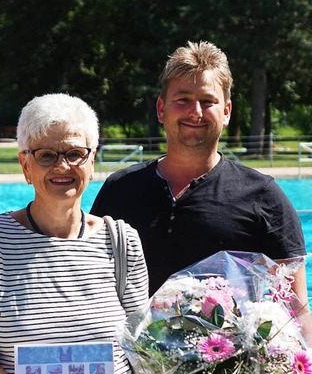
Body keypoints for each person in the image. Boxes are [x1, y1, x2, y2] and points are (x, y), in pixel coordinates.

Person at [0, 93, 161, 374]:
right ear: (25, 165)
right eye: (46, 155)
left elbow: (142, 349)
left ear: (92, 160)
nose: (62, 167)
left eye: (74, 154)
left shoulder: (120, 239)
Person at [91, 41, 308, 307]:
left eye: (207, 102)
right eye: (183, 100)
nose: (195, 112)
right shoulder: (120, 189)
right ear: (161, 109)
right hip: (130, 349)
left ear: (226, 112)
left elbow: (295, 310)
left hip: (225, 348)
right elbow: (90, 285)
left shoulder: (264, 197)